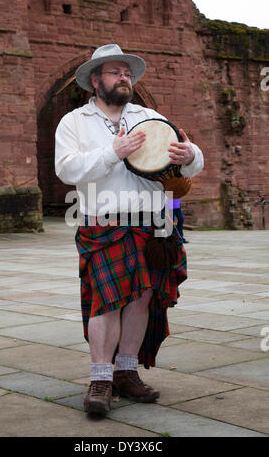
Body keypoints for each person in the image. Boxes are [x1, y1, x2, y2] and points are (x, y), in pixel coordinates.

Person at [55, 44, 204, 415]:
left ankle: (126, 371)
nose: (124, 78)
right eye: (114, 72)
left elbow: (183, 161)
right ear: (95, 80)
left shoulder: (149, 115)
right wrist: (113, 151)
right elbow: (67, 170)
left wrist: (191, 156)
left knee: (141, 299)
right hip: (103, 224)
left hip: (152, 224)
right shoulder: (75, 122)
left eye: (127, 73)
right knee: (106, 302)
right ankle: (100, 379)